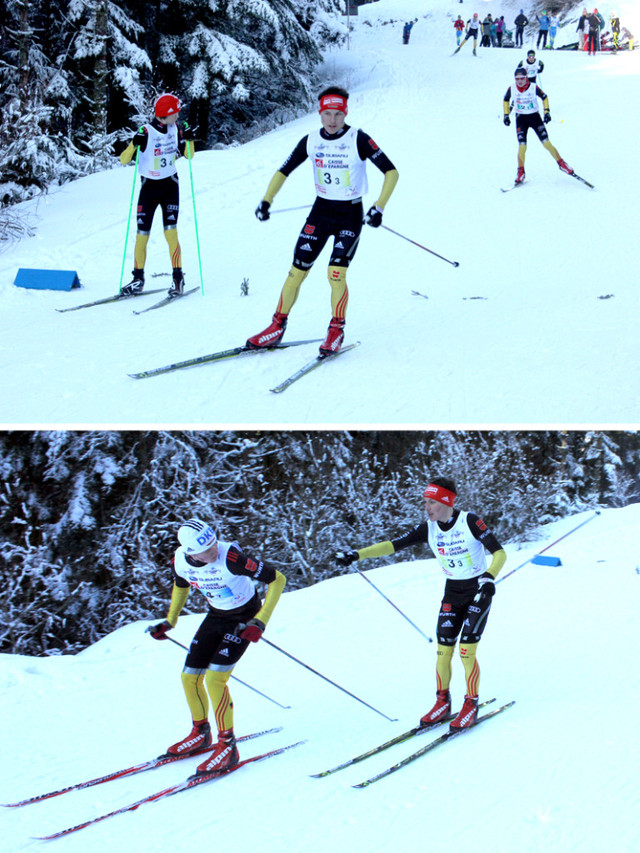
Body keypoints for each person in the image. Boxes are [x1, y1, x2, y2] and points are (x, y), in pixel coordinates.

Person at [334, 478, 507, 731]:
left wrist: (489, 578)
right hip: (452, 592)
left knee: (466, 652)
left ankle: (471, 704)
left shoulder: (469, 522)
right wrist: (357, 554)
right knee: (443, 651)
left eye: (432, 502)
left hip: (478, 591)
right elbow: (393, 546)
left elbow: (500, 552)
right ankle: (442, 702)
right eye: (425, 502)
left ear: (446, 502)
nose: (427, 508)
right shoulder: (429, 528)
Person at [247, 86, 398, 357]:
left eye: (337, 114)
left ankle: (336, 330)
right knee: (296, 272)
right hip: (320, 213)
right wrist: (267, 200)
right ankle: (276, 327)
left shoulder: (358, 139)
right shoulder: (311, 140)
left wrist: (379, 207)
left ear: (345, 113)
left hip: (350, 215)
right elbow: (284, 170)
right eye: (327, 114)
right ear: (320, 114)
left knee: (335, 273)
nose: (331, 120)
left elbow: (391, 172)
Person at [149, 519, 286, 774]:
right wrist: (170, 621)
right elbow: (181, 585)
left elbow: (277, 579)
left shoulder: (231, 557)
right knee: (188, 677)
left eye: (214, 543)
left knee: (215, 679)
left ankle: (228, 746)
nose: (214, 552)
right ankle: (200, 733)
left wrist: (261, 621)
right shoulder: (179, 559)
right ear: (191, 553)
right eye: (206, 550)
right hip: (216, 616)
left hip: (246, 616)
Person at [119, 94, 194, 298]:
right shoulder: (146, 131)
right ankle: (138, 279)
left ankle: (178, 278)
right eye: (175, 112)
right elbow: (124, 160)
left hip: (170, 186)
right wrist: (134, 144)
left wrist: (189, 139)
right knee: (141, 236)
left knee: (171, 234)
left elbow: (189, 155)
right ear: (166, 114)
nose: (178, 115)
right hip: (149, 189)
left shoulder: (177, 128)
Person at [503, 66, 575, 185]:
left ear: (526, 78)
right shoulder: (512, 88)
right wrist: (506, 115)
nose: (519, 81)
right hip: (521, 119)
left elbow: (544, 97)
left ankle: (562, 164)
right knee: (522, 146)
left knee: (546, 143)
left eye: (522, 78)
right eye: (517, 79)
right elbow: (506, 99)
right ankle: (520, 172)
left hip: (535, 118)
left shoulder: (532, 86)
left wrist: (547, 112)